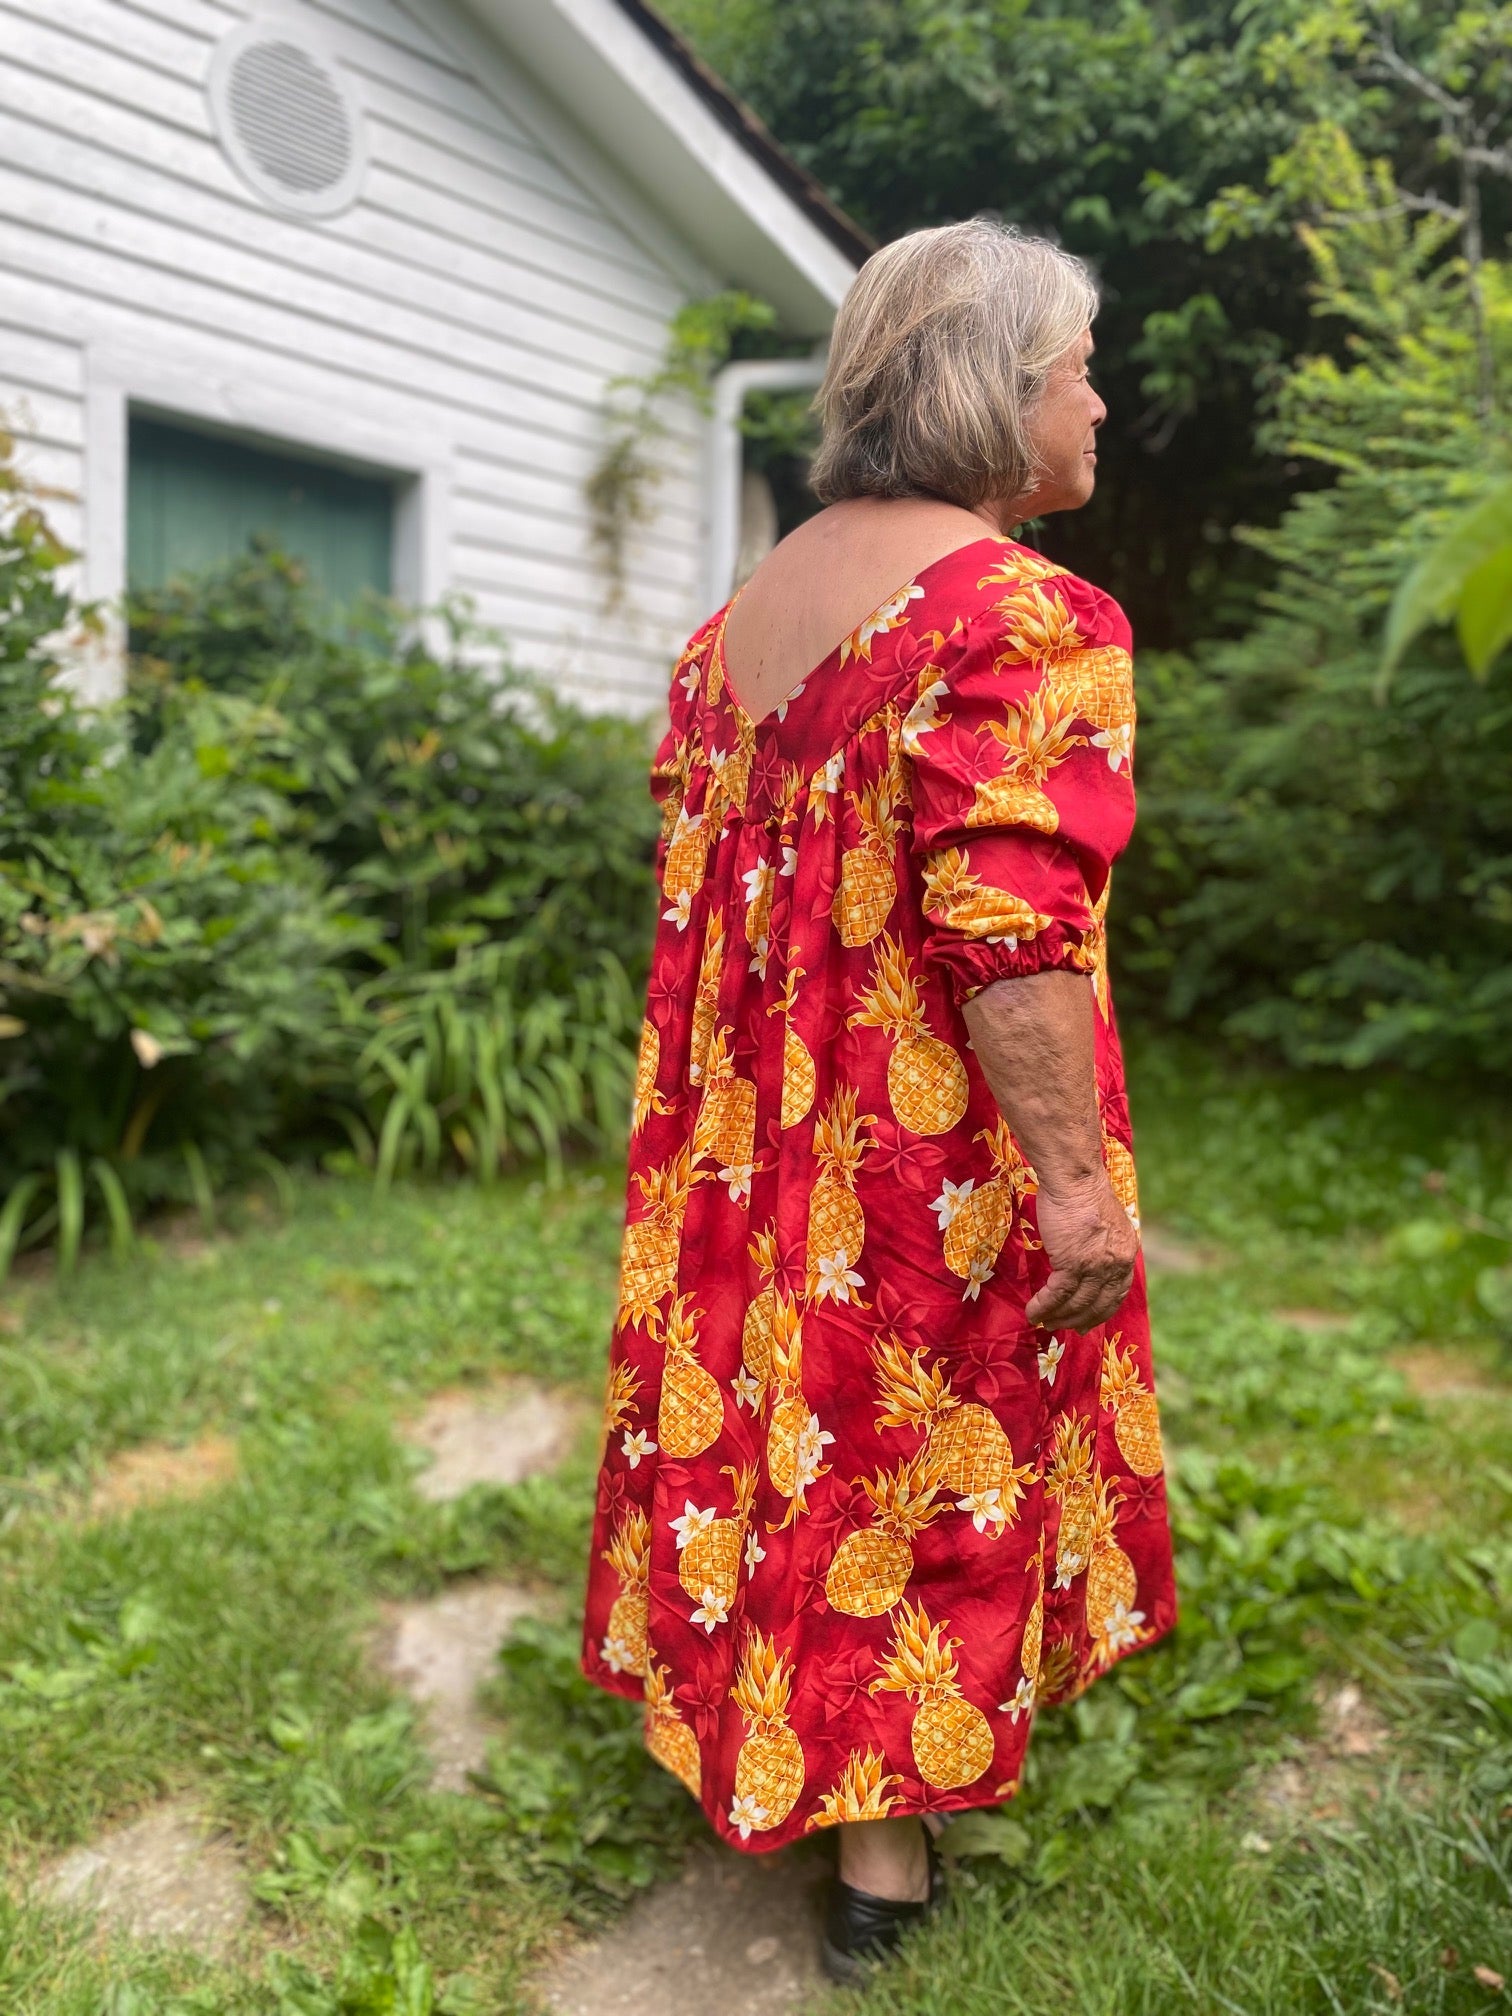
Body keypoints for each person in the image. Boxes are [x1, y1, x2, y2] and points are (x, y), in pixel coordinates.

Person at [580, 218, 1176, 1983]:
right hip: (909, 1146)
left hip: (745, 1146)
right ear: (996, 390)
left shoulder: (726, 637)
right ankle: (883, 1864)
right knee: (917, 1456)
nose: (1099, 399)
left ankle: (794, 1749)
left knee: (783, 1429)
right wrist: (1074, 1182)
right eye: (1077, 364)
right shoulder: (1018, 614)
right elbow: (1010, 923)